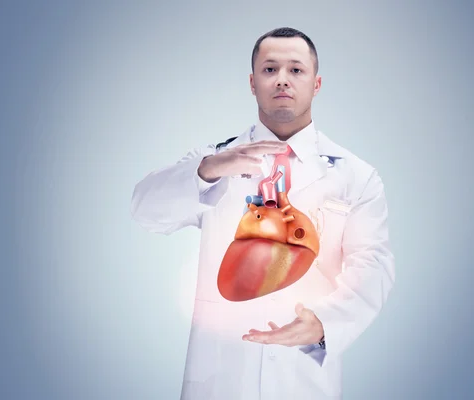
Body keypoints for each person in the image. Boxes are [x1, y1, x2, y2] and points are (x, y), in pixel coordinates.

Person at [130, 27, 395, 400]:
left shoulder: (355, 175)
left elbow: (373, 264)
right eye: (270, 70)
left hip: (302, 379)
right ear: (252, 83)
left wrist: (324, 324)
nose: (282, 80)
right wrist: (207, 169)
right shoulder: (214, 159)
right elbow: (145, 210)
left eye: (296, 70)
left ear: (316, 84)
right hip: (221, 376)